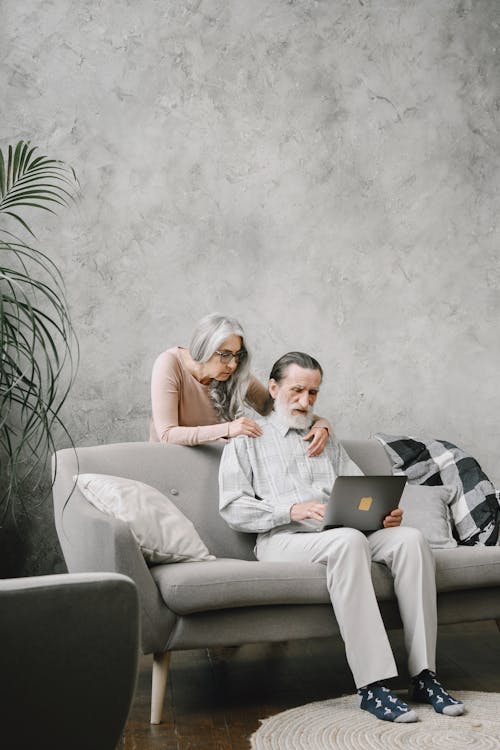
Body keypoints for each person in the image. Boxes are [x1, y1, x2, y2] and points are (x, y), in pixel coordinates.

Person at [218, 351, 464, 723]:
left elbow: (360, 492)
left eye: (313, 393)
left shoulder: (325, 437)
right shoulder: (247, 438)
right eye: (297, 391)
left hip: (339, 532)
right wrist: (291, 510)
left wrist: (382, 515)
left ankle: (424, 675)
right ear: (273, 388)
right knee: (348, 541)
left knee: (411, 539)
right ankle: (373, 685)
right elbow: (232, 507)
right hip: (283, 540)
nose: (305, 401)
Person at [150, 313, 330, 453]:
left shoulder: (235, 373)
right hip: (171, 461)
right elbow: (167, 434)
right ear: (204, 349)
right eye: (225, 354)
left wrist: (321, 423)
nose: (233, 364)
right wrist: (228, 428)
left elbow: (277, 406)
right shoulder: (169, 363)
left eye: (237, 355)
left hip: (216, 464)